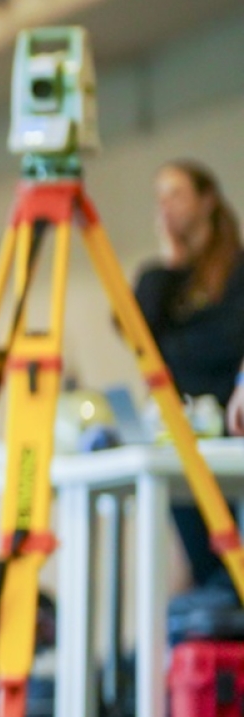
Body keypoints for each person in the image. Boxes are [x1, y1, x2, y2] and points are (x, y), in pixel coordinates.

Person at [136, 160, 244, 588]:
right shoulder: (165, 281)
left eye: (176, 194)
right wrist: (170, 263)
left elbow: (225, 341)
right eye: (159, 197)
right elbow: (139, 336)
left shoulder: (237, 272)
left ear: (208, 199)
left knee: (230, 565)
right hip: (180, 439)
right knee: (200, 569)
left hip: (231, 438)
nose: (165, 207)